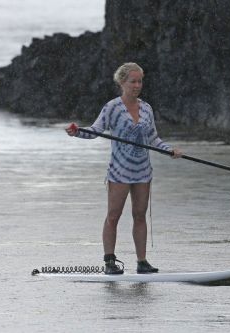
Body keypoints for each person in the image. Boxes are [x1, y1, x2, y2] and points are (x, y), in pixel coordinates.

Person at [66, 62, 182, 274]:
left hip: (143, 172)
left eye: (140, 81)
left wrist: (169, 150)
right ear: (122, 82)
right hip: (119, 172)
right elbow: (95, 131)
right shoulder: (112, 108)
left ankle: (142, 261)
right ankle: (110, 261)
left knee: (140, 215)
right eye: (133, 81)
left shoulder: (146, 108)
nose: (137, 85)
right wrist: (77, 132)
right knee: (113, 215)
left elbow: (154, 138)